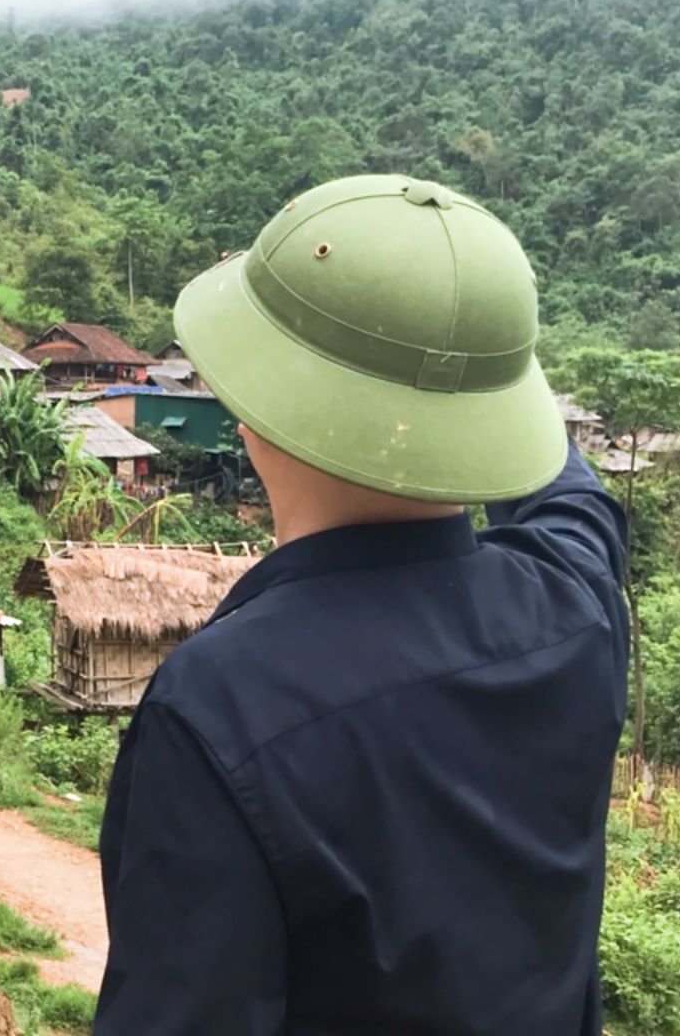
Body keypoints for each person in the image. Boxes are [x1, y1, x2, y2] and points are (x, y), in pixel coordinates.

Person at [95, 175, 627, 1035]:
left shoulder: (220, 707)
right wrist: (463, 334)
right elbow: (574, 503)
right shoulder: (576, 611)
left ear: (250, 413)